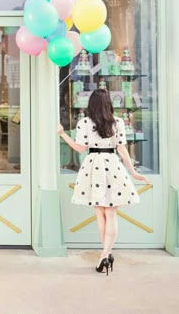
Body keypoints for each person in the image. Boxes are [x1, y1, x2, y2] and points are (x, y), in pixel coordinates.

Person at [57, 88, 148, 275]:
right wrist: (133, 172)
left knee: (100, 214)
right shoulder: (117, 123)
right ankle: (106, 255)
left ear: (91, 104)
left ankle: (105, 255)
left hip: (93, 166)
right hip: (112, 164)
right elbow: (122, 150)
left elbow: (80, 148)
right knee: (111, 213)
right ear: (109, 104)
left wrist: (62, 134)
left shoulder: (84, 123)